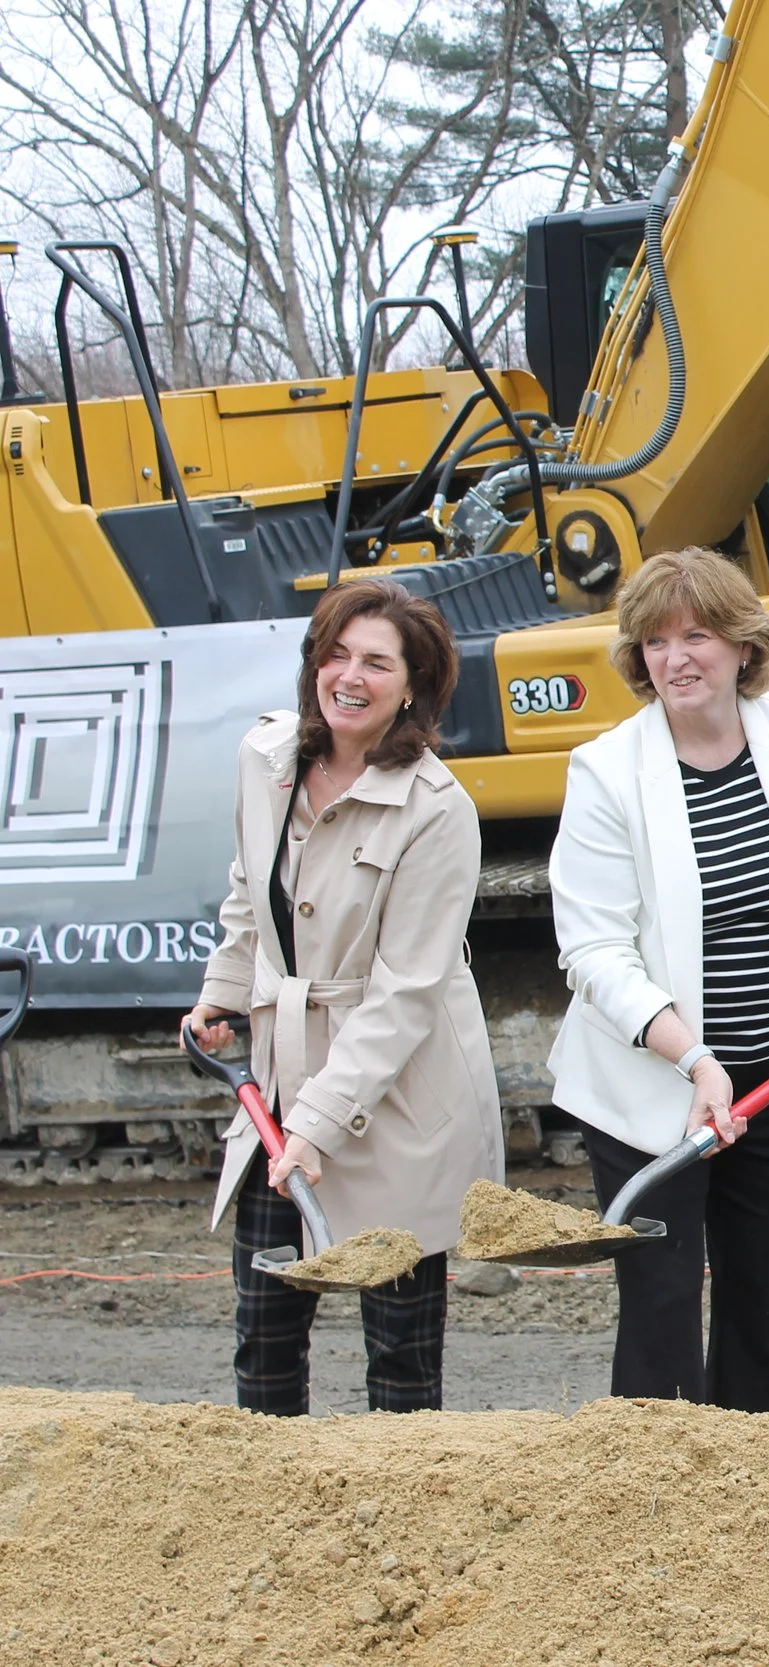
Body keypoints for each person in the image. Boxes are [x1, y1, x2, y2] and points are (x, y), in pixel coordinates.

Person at [546, 548, 769, 1411]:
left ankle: (754, 1499)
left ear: (743, 647)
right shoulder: (607, 772)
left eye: (698, 635)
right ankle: (653, 1495)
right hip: (654, 1090)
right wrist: (695, 1061)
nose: (677, 657)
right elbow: (594, 951)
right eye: (656, 640)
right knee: (662, 1307)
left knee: (759, 1302)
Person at [185, 579, 504, 1415]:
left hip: (398, 1101)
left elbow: (404, 997)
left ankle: (397, 1526)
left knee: (399, 1363)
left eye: (376, 661)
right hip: (281, 1088)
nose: (349, 676)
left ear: (413, 687)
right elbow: (247, 893)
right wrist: (222, 996)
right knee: (265, 1337)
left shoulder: (437, 810)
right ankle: (276, 1508)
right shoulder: (269, 762)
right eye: (336, 653)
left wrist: (316, 1125)